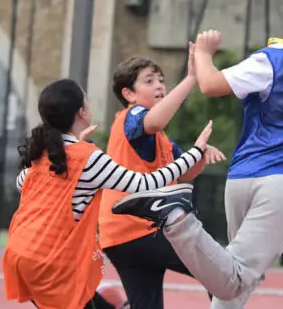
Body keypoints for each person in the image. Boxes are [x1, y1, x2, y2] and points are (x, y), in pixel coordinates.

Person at [112, 0, 283, 308]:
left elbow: (210, 85)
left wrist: (205, 55)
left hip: (242, 177)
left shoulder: (269, 62)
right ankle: (176, 217)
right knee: (235, 280)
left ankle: (176, 217)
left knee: (239, 280)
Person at [4, 78, 214, 309]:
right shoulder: (87, 158)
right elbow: (146, 183)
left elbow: (22, 183)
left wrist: (70, 152)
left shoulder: (43, 155)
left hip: (21, 254)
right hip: (53, 261)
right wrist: (195, 152)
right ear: (81, 111)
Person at [97, 52, 226, 309]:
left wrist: (199, 154)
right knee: (221, 273)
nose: (159, 85)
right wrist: (191, 78)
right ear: (129, 94)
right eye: (149, 80)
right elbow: (155, 121)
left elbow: (185, 173)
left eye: (161, 80)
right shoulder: (131, 117)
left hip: (120, 237)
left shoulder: (161, 140)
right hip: (141, 229)